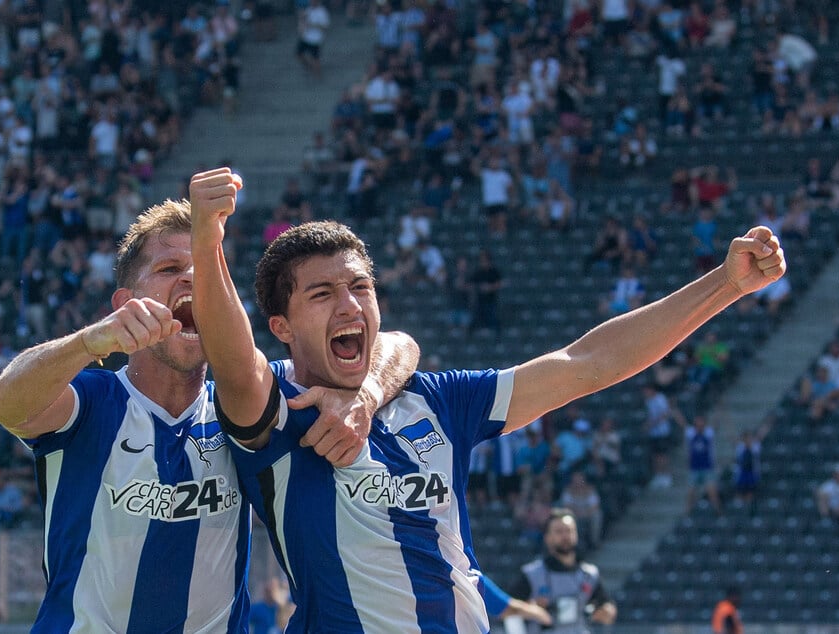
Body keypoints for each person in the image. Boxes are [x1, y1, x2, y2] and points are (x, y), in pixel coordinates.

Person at [189, 166, 786, 632]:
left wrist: (727, 284)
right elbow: (233, 359)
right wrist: (207, 239)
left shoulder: (439, 402)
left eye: (361, 287)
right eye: (321, 294)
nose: (349, 305)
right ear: (282, 327)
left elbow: (589, 362)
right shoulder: (277, 413)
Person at [0, 198, 417, 631]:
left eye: (207, 272)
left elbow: (399, 344)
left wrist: (367, 393)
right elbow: (5, 403)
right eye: (170, 269)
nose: (192, 279)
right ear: (125, 301)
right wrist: (87, 344)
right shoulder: (92, 400)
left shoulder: (249, 404)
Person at [512, 509, 617, 632]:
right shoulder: (532, 575)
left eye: (569, 531)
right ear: (547, 537)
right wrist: (529, 609)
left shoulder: (589, 575)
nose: (565, 536)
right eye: (559, 532)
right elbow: (508, 610)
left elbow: (607, 606)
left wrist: (607, 611)